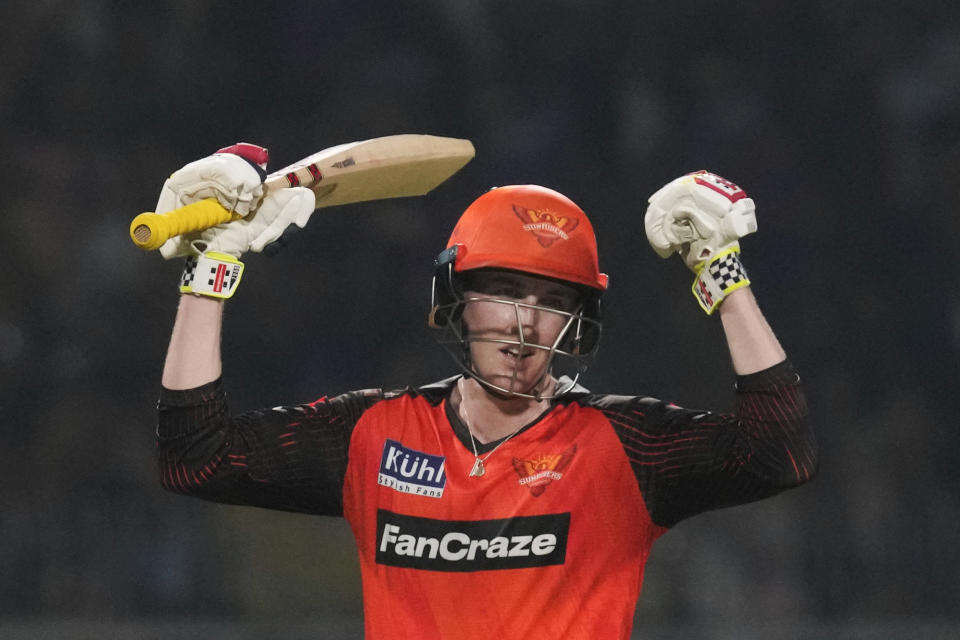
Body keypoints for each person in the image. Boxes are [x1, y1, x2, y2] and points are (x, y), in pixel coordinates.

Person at [154, 143, 817, 639]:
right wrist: (210, 269)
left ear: (578, 321)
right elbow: (196, 458)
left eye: (551, 300)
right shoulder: (374, 435)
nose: (524, 324)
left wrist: (721, 274)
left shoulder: (624, 446)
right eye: (501, 291)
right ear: (457, 301)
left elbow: (779, 452)